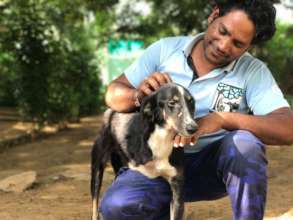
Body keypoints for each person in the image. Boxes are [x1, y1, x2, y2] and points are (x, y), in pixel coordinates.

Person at [100, 0, 293, 219]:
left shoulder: (253, 72)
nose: (223, 46)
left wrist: (222, 119)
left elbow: (287, 128)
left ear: (250, 46)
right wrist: (139, 95)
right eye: (223, 31)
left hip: (209, 169)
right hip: (155, 166)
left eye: (238, 44)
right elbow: (113, 93)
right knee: (117, 206)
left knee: (245, 144)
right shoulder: (165, 50)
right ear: (214, 15)